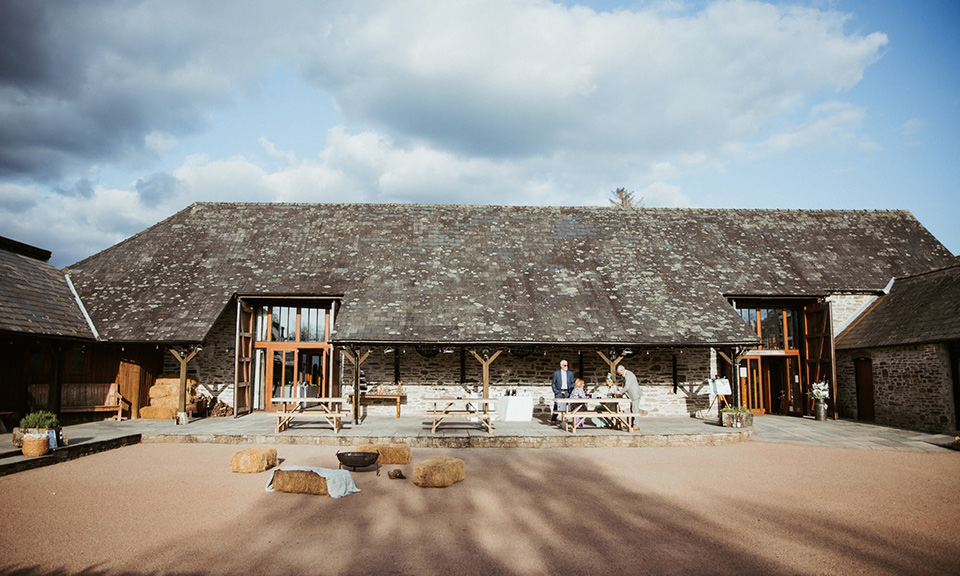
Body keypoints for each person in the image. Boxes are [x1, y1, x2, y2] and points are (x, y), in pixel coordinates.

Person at [616, 364, 642, 430]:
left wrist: (620, 392)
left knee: (635, 410)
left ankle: (636, 425)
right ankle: (632, 424)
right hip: (631, 395)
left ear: (622, 370)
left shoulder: (628, 375)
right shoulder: (625, 375)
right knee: (632, 409)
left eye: (619, 373)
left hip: (635, 394)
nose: (619, 374)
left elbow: (627, 386)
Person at [550, 359, 575, 425]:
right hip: (559, 391)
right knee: (556, 405)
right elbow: (553, 383)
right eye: (564, 365)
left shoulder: (570, 373)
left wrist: (571, 391)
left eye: (567, 365)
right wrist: (556, 391)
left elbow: (573, 383)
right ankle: (553, 420)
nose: (566, 366)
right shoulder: (557, 373)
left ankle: (565, 421)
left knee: (567, 406)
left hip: (567, 391)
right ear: (561, 366)